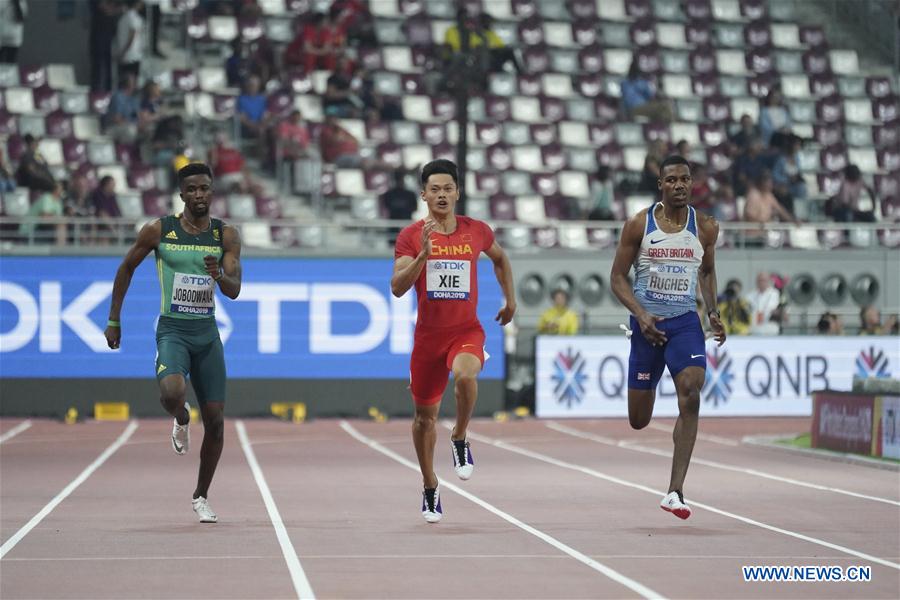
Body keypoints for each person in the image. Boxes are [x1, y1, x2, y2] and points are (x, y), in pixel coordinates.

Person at [104, 163, 243, 523]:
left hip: (207, 335)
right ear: (181, 194)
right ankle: (181, 416)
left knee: (215, 423)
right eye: (192, 189)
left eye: (205, 189)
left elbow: (235, 290)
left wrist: (219, 275)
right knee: (171, 393)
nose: (199, 195)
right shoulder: (159, 230)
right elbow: (126, 268)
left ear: (213, 193)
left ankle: (201, 496)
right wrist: (114, 319)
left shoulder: (225, 235)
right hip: (173, 330)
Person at [391, 159, 516, 523]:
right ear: (424, 195)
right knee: (423, 419)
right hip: (428, 340)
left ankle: (460, 436)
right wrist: (423, 258)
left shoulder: (476, 231)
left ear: (458, 192)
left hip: (466, 331)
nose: (442, 195)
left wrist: (511, 300)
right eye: (435, 189)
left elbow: (501, 259)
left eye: (448, 188)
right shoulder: (411, 236)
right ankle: (430, 485)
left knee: (465, 376)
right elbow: (397, 287)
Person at [609, 155, 726, 520]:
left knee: (691, 392)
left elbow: (706, 272)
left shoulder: (705, 227)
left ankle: (675, 491)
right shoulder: (638, 225)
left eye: (685, 180)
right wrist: (641, 315)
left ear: (692, 184)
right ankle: (655, 378)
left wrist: (713, 312)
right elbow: (616, 277)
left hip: (684, 324)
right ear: (660, 185)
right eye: (672, 180)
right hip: (647, 327)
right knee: (638, 420)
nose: (679, 186)